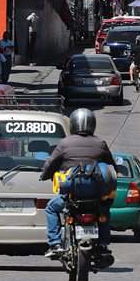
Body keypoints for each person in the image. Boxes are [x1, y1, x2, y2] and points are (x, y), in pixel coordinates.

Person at [40, 108, 115, 260]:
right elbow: (112, 165)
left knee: (51, 208)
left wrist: (44, 175)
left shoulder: (65, 143)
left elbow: (51, 164)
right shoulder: (100, 143)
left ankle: (55, 244)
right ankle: (102, 244)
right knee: (104, 212)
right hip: (95, 197)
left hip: (71, 197)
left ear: (73, 125)